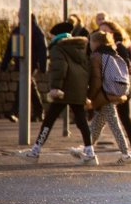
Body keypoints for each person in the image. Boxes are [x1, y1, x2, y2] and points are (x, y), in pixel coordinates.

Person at [16, 22, 94, 163]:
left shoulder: (58, 48)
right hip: (78, 89)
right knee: (81, 121)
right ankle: (90, 152)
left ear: (56, 36)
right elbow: (86, 69)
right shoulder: (80, 47)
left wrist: (55, 87)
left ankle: (35, 151)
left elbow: (60, 68)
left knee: (49, 120)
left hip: (63, 90)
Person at [85, 30, 131, 165]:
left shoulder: (96, 56)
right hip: (115, 92)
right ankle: (87, 149)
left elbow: (96, 80)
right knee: (97, 123)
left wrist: (91, 96)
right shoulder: (113, 54)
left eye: (91, 42)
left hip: (104, 94)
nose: (90, 45)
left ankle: (126, 154)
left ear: (96, 43)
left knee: (114, 124)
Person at [98, 20, 131, 163]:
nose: (103, 34)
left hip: (122, 87)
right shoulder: (118, 46)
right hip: (122, 86)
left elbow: (124, 66)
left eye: (106, 31)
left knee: (124, 119)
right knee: (107, 118)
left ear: (113, 32)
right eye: (101, 31)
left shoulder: (119, 46)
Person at [0, 15, 47, 122]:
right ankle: (39, 112)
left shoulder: (35, 30)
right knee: (30, 87)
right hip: (21, 63)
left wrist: (43, 66)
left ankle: (14, 111)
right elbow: (10, 48)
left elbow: (42, 49)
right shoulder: (18, 30)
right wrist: (4, 64)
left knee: (23, 84)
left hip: (31, 64)